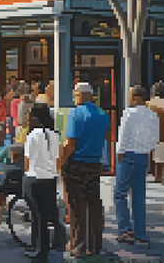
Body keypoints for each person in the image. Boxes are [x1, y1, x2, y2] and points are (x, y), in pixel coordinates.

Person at [59, 82, 110, 258]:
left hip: (76, 164)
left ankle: (78, 245)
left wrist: (60, 162)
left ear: (80, 94)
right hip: (95, 164)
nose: (74, 98)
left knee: (76, 206)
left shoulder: (76, 113)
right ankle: (95, 245)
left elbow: (70, 143)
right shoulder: (103, 114)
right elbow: (107, 137)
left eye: (75, 95)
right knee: (94, 204)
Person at [114, 85, 159, 247]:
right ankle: (141, 234)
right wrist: (146, 148)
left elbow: (123, 133)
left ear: (135, 97)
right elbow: (155, 138)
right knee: (139, 196)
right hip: (143, 156)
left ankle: (125, 229)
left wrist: (119, 151)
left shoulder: (128, 113)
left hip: (127, 155)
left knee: (120, 193)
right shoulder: (153, 115)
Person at [23, 103, 61, 259]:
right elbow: (57, 159)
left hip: (34, 178)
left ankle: (38, 249)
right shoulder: (55, 135)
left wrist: (25, 173)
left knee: (36, 216)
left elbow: (27, 159)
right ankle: (44, 247)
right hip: (50, 179)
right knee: (45, 216)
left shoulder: (32, 135)